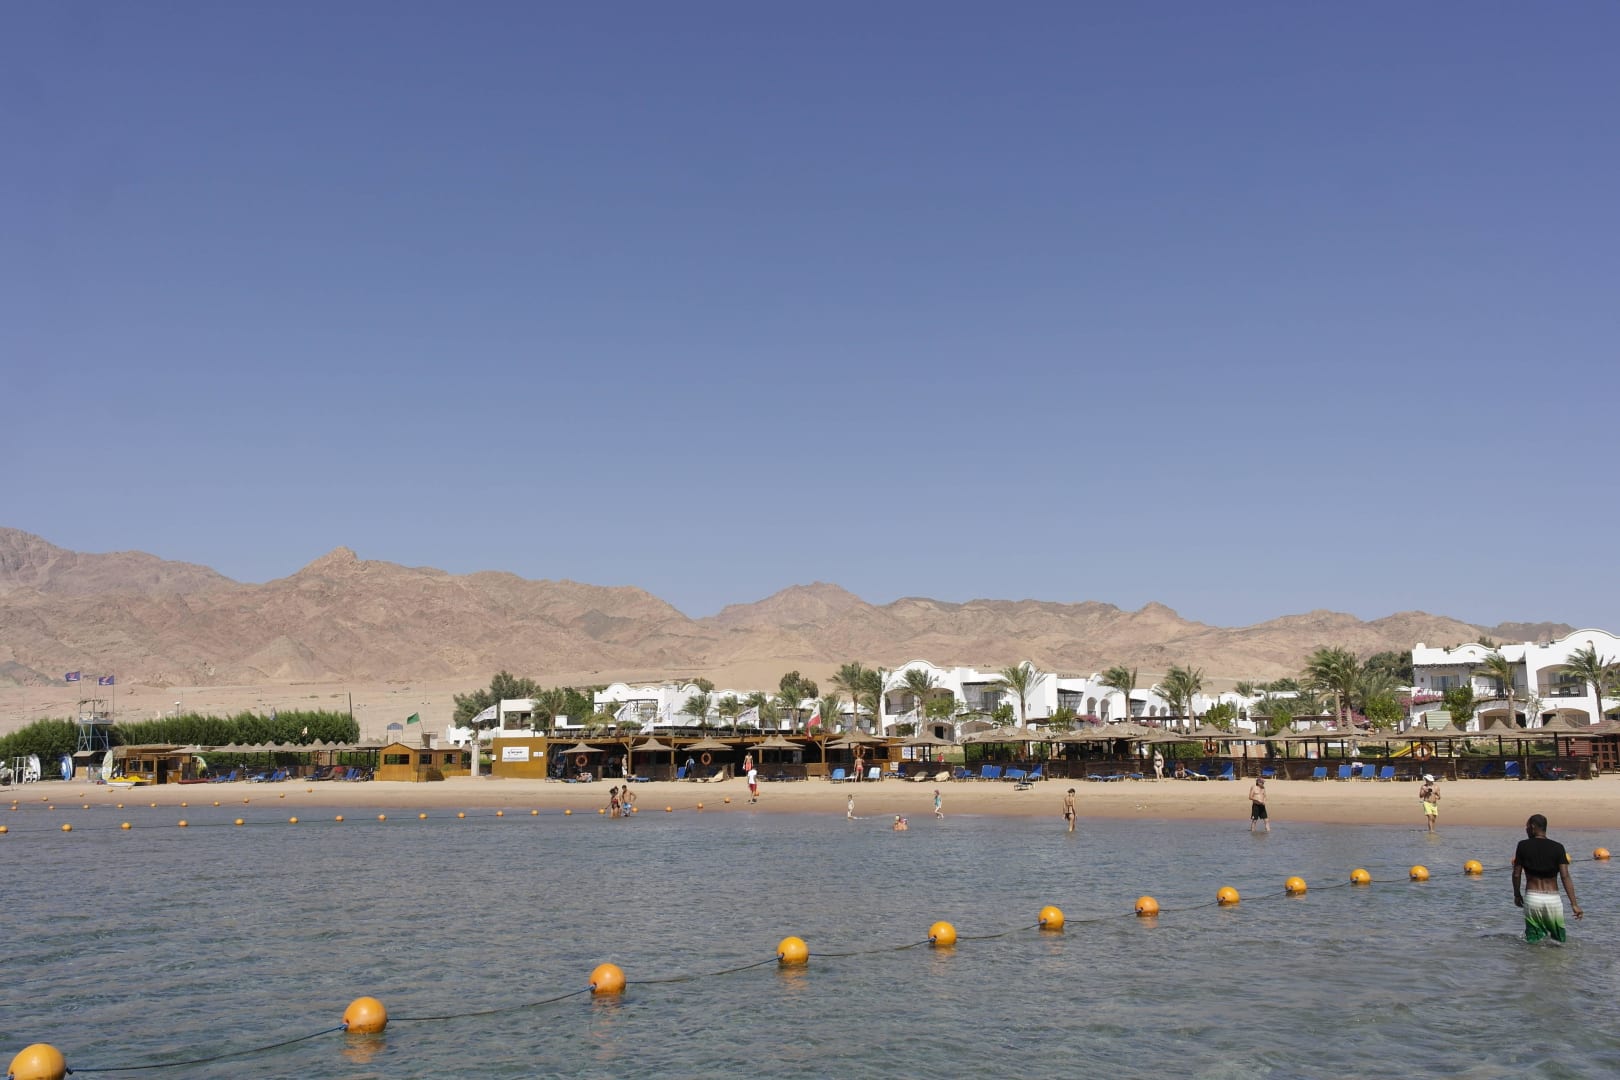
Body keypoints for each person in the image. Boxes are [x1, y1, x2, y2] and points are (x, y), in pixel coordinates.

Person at [1513, 814, 1582, 942]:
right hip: (1553, 899)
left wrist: (1517, 895)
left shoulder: (1522, 845)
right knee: (1559, 942)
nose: (1526, 830)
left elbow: (1517, 874)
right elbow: (1565, 876)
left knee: (1533, 941)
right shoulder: (1558, 847)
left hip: (1533, 898)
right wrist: (1574, 904)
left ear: (1533, 827)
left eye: (1527, 827)